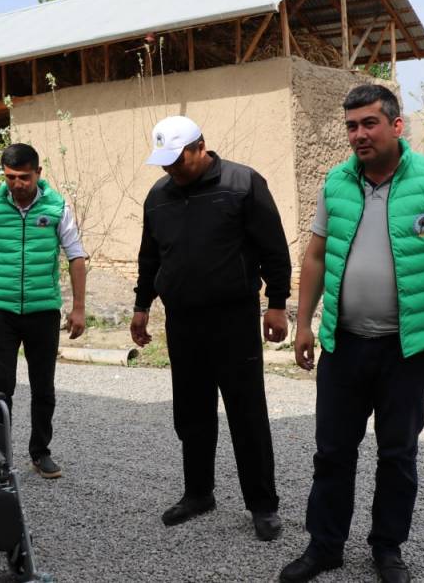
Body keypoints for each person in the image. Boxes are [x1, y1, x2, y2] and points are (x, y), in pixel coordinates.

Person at [279, 85, 424, 583]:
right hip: (343, 345)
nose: (359, 134)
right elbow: (315, 256)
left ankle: (387, 549)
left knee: (398, 455)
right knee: (332, 453)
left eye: (369, 123)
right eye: (351, 126)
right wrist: (305, 322)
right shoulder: (336, 183)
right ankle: (324, 547)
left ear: (396, 125)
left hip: (406, 350)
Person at [130, 115, 291, 542]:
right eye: (164, 161)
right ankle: (198, 493)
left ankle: (263, 505)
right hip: (183, 321)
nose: (171, 168)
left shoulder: (242, 183)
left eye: (178, 159)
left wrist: (277, 304)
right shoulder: (158, 196)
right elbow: (150, 257)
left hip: (233, 318)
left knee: (246, 413)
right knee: (192, 412)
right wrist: (142, 305)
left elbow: (274, 248)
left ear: (200, 147)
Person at [0, 143, 87, 480]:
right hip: (0, 311)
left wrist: (78, 308)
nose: (16, 184)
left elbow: (76, 256)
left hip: (43, 312)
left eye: (23, 177)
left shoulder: (57, 207)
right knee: (0, 385)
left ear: (38, 173)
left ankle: (40, 452)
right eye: (10, 177)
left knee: (43, 386)